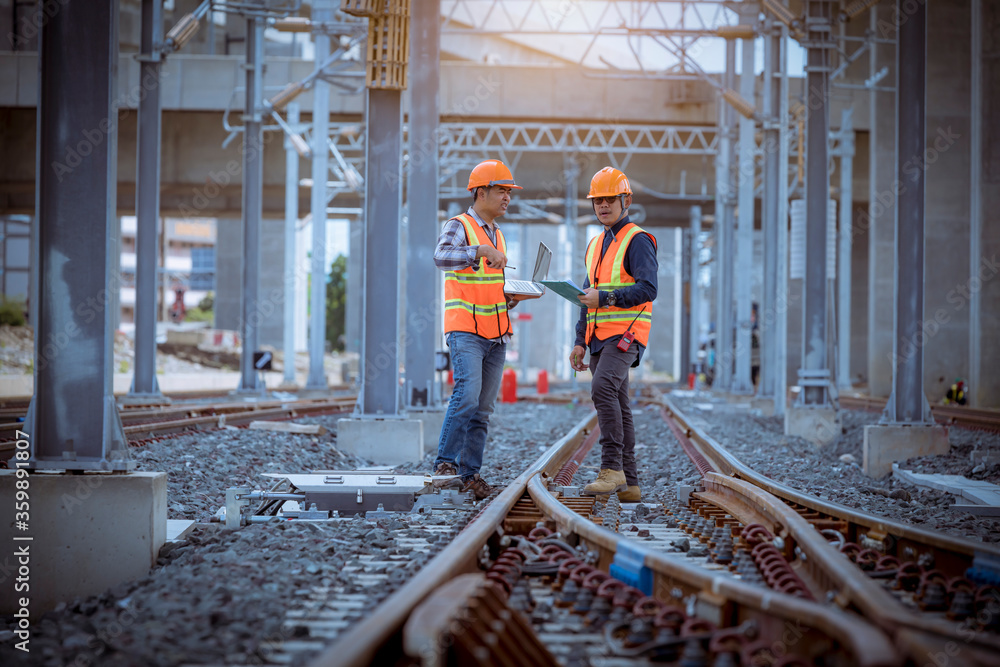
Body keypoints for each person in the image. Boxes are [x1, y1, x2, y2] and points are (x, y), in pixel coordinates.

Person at [432, 159, 532, 500]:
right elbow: (440, 256)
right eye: (501, 191)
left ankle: (470, 474)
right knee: (466, 397)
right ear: (480, 191)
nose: (507, 198)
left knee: (483, 410)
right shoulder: (459, 225)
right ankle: (444, 465)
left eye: (508, 192)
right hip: (466, 330)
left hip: (497, 330)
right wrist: (478, 250)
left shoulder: (499, 234)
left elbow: (487, 283)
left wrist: (510, 298)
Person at [569, 167, 658, 502]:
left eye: (609, 199)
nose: (603, 205)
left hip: (626, 332)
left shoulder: (637, 240)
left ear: (626, 200)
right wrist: (579, 340)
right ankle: (630, 482)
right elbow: (585, 296)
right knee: (618, 401)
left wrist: (605, 298)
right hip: (597, 337)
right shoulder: (595, 244)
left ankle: (611, 468)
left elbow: (649, 289)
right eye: (597, 200)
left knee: (602, 388)